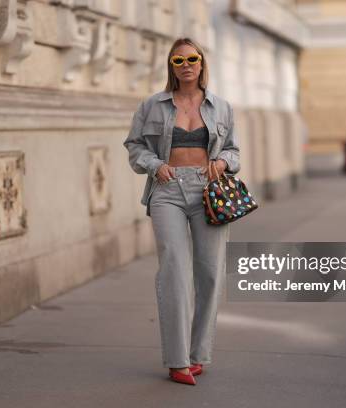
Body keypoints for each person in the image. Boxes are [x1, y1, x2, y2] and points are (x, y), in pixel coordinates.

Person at [123, 38, 240, 385]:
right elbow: (133, 146)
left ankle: (197, 354)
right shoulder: (152, 106)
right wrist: (154, 164)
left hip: (209, 191)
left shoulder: (222, 107)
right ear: (171, 66)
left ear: (202, 64)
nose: (186, 64)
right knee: (174, 267)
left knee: (209, 273)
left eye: (192, 58)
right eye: (178, 60)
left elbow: (234, 151)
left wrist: (222, 161)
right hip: (167, 190)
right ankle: (177, 361)